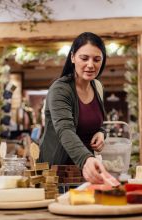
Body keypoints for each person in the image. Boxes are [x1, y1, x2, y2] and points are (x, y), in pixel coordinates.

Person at [38, 32, 110, 184]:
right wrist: (86, 159)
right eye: (84, 58)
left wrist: (101, 132)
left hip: (84, 171)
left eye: (97, 59)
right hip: (56, 172)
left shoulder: (97, 86)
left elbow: (98, 121)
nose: (91, 65)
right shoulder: (60, 89)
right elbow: (65, 129)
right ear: (72, 57)